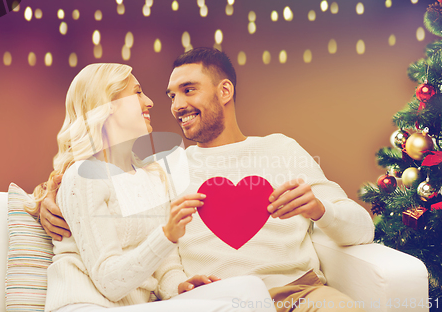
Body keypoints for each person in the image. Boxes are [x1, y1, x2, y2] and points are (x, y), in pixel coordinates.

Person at [39, 49, 375, 312]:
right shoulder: (162, 168)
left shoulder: (280, 149)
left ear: (224, 90)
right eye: (172, 96)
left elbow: (363, 229)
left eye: (188, 90)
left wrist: (320, 210)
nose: (176, 106)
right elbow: (94, 195)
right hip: (217, 302)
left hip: (301, 294)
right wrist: (45, 202)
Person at [32, 63, 276, 312]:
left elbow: (165, 268)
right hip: (87, 305)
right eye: (137, 93)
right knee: (245, 297)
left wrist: (180, 286)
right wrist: (166, 235)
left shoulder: (152, 176)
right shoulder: (84, 176)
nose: (149, 102)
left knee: (249, 288)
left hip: (135, 308)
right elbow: (110, 283)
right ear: (108, 107)